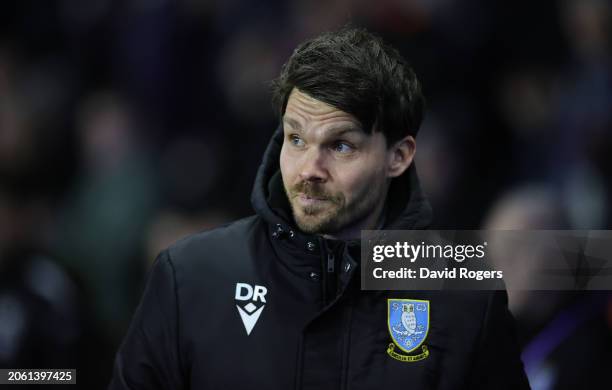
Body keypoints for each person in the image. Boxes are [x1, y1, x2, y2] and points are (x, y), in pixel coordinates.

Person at [109, 27, 529, 389]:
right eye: (296, 139)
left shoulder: (464, 290)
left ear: (398, 157)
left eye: (340, 145)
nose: (310, 168)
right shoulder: (189, 277)